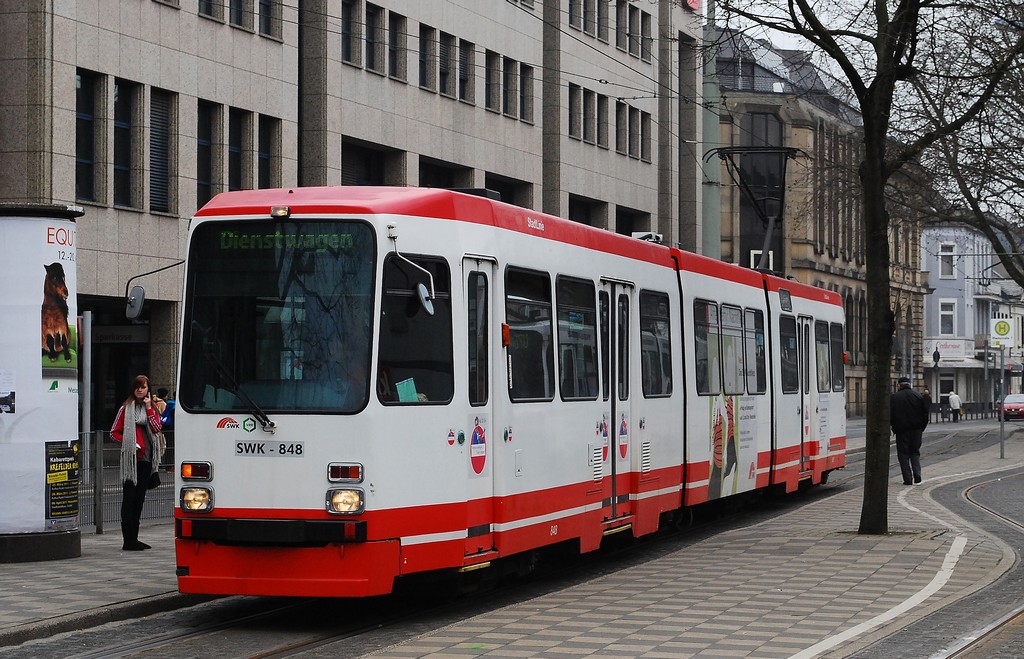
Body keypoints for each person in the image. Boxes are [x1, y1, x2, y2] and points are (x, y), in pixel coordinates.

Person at [110, 374, 164, 551]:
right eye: (137, 387)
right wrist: (129, 443)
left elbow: (156, 428)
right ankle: (128, 540)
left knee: (139, 499)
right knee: (129, 499)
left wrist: (148, 407)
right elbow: (113, 433)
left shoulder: (153, 408)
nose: (140, 390)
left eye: (143, 387)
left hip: (147, 460)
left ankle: (135, 538)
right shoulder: (126, 409)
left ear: (148, 389)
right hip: (131, 461)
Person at [891, 376, 929, 485]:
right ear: (909, 384)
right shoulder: (918, 396)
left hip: (901, 430)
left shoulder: (894, 397)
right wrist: (921, 428)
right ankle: (917, 475)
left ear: (899, 385)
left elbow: (891, 414)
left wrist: (894, 427)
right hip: (916, 430)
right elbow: (925, 414)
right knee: (915, 452)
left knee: (903, 454)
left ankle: (907, 478)